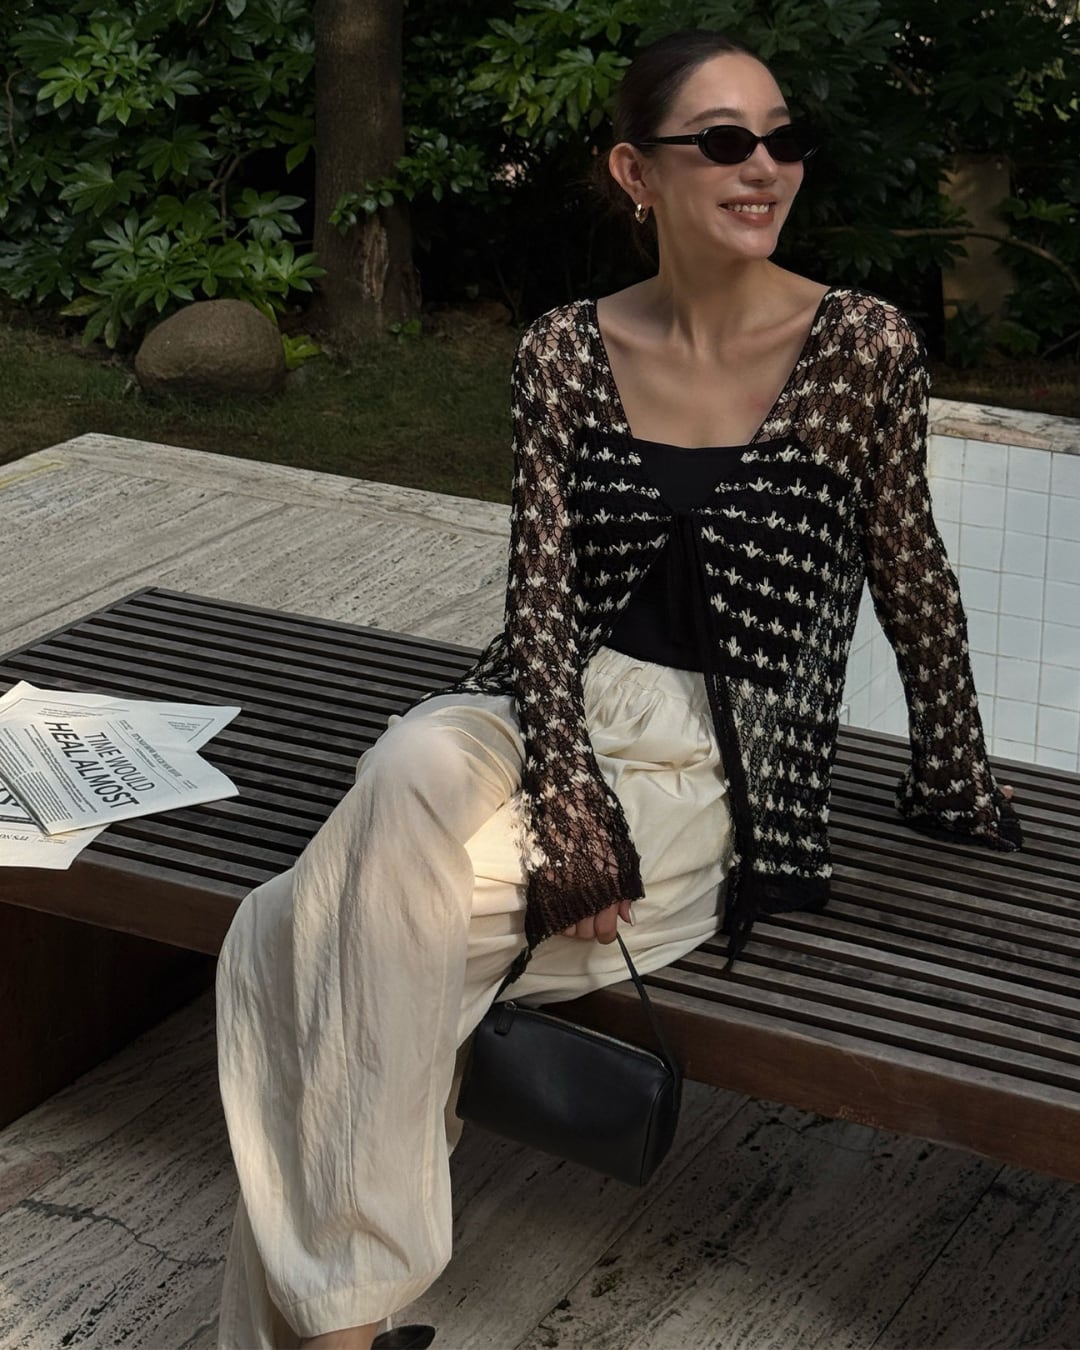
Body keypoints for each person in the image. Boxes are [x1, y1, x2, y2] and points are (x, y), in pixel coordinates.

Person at [215, 28, 1023, 1350]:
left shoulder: (860, 346)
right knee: (411, 763)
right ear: (635, 172)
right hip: (548, 703)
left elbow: (910, 565)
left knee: (291, 935)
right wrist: (569, 801)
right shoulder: (563, 350)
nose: (764, 167)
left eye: (783, 139)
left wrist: (955, 774)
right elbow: (536, 593)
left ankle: (332, 1335)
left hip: (718, 754)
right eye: (725, 142)